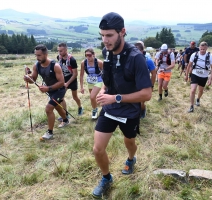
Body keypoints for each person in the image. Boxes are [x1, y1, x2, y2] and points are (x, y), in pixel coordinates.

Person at [92, 12, 152, 198]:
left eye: (109, 35)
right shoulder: (106, 53)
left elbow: (147, 94)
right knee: (97, 149)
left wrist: (115, 98)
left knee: (130, 142)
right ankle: (107, 178)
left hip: (129, 111)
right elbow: (108, 81)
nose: (105, 40)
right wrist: (103, 90)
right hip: (109, 109)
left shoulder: (136, 58)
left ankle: (131, 158)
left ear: (122, 32)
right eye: (102, 35)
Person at [24, 44, 68, 140]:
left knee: (48, 109)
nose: (37, 57)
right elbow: (33, 80)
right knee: (57, 106)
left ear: (45, 54)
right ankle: (65, 119)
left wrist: (48, 88)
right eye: (36, 55)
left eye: (39, 55)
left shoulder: (55, 66)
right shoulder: (36, 66)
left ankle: (50, 132)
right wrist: (28, 78)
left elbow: (62, 82)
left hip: (60, 90)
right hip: (51, 90)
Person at [184, 41, 212, 113]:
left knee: (201, 90)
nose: (202, 51)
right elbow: (189, 65)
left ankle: (198, 98)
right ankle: (191, 106)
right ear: (199, 48)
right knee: (192, 90)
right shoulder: (194, 55)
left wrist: (210, 79)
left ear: (206, 48)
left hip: (204, 76)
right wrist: (186, 75)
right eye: (201, 49)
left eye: (203, 49)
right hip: (195, 74)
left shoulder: (210, 56)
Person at [57, 43, 83, 120]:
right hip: (63, 80)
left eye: (61, 51)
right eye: (58, 51)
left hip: (72, 80)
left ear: (66, 50)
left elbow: (75, 74)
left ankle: (80, 107)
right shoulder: (59, 57)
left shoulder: (72, 60)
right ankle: (65, 114)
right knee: (61, 98)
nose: (59, 53)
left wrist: (68, 83)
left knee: (75, 97)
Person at [79, 48, 103, 119]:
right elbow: (81, 75)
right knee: (93, 98)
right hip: (90, 82)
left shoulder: (99, 62)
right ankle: (97, 106)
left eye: (89, 55)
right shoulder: (83, 63)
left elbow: (106, 73)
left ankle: (94, 111)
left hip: (98, 80)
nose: (88, 57)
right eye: (86, 55)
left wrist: (106, 85)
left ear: (93, 55)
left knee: (92, 97)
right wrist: (81, 87)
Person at [134, 41, 156, 118]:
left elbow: (154, 73)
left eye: (138, 51)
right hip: (133, 84)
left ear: (142, 51)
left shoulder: (148, 60)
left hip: (143, 84)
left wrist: (151, 86)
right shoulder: (131, 59)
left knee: (140, 102)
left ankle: (143, 109)